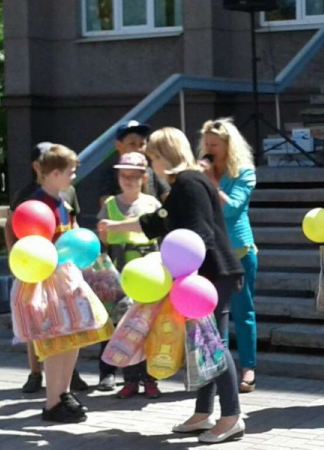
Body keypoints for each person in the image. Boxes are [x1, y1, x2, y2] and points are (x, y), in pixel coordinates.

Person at [98, 127, 246, 444]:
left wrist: (183, 272)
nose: (152, 166)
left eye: (152, 157)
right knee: (203, 343)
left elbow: (198, 234)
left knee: (212, 344)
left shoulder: (189, 184)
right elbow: (157, 222)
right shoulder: (187, 183)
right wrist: (115, 226)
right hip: (209, 273)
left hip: (209, 274)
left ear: (164, 155)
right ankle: (203, 413)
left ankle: (231, 417)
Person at [8, 143, 91, 423]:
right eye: (70, 172)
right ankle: (53, 401)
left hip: (65, 276)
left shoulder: (63, 198)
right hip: (48, 281)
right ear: (54, 173)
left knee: (72, 338)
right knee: (57, 339)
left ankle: (63, 392)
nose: (74, 176)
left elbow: (72, 232)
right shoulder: (37, 205)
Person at [197, 118, 259, 394]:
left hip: (239, 251)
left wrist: (210, 182)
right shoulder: (201, 169)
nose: (209, 149)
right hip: (209, 252)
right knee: (212, 313)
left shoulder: (244, 172)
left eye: (215, 144)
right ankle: (217, 368)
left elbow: (232, 209)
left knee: (242, 311)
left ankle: (248, 368)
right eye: (206, 143)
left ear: (228, 146)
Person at [95, 152, 163, 397]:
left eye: (135, 176)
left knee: (149, 327)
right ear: (118, 176)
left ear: (144, 177)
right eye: (125, 175)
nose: (129, 180)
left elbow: (161, 235)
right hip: (121, 274)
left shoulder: (152, 204)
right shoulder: (111, 204)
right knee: (125, 328)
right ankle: (130, 380)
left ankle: (151, 378)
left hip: (150, 274)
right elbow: (102, 238)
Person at [98, 120, 170, 208]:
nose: (139, 149)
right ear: (118, 145)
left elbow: (169, 199)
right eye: (132, 144)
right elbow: (107, 207)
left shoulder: (152, 171)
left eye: (142, 144)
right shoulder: (110, 174)